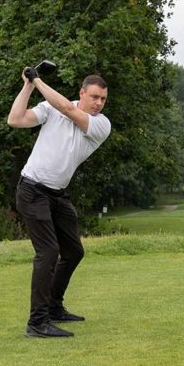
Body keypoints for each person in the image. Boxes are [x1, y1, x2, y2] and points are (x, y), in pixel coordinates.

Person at [8, 69, 111, 338]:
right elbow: (15, 119)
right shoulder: (50, 108)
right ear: (82, 93)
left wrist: (38, 79)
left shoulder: (101, 125)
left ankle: (53, 307)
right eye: (95, 97)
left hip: (57, 195)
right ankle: (37, 323)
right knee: (48, 253)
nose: (99, 103)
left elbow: (66, 108)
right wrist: (28, 86)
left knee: (74, 251)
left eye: (103, 99)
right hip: (32, 190)